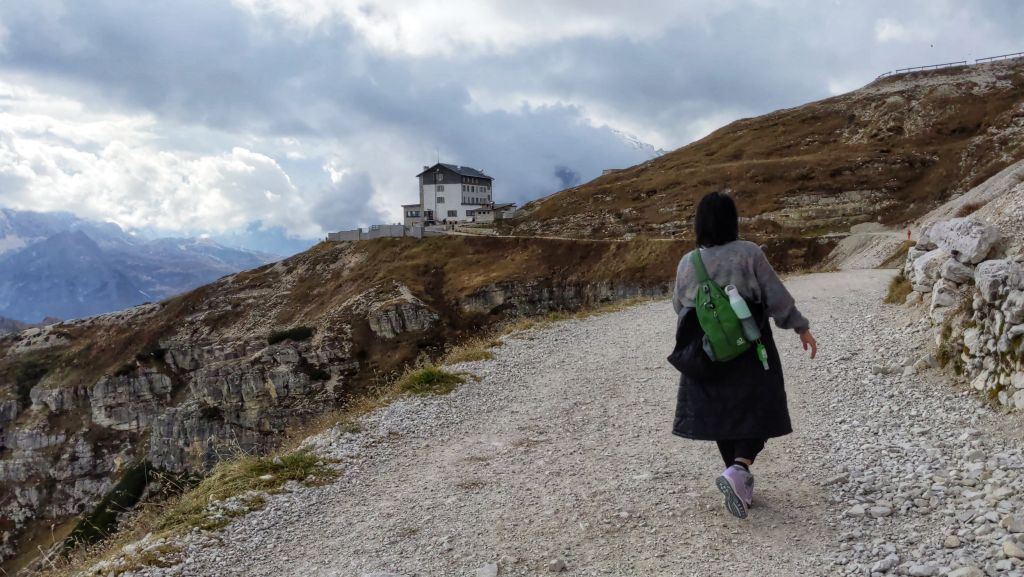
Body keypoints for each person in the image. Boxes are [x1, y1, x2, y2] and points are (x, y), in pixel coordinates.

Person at [670, 191, 817, 519]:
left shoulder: (688, 262)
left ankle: (737, 477)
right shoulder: (748, 253)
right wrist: (800, 327)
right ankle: (739, 469)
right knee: (763, 406)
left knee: (721, 414)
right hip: (750, 345)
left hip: (706, 351)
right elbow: (775, 295)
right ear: (731, 220)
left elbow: (679, 306)